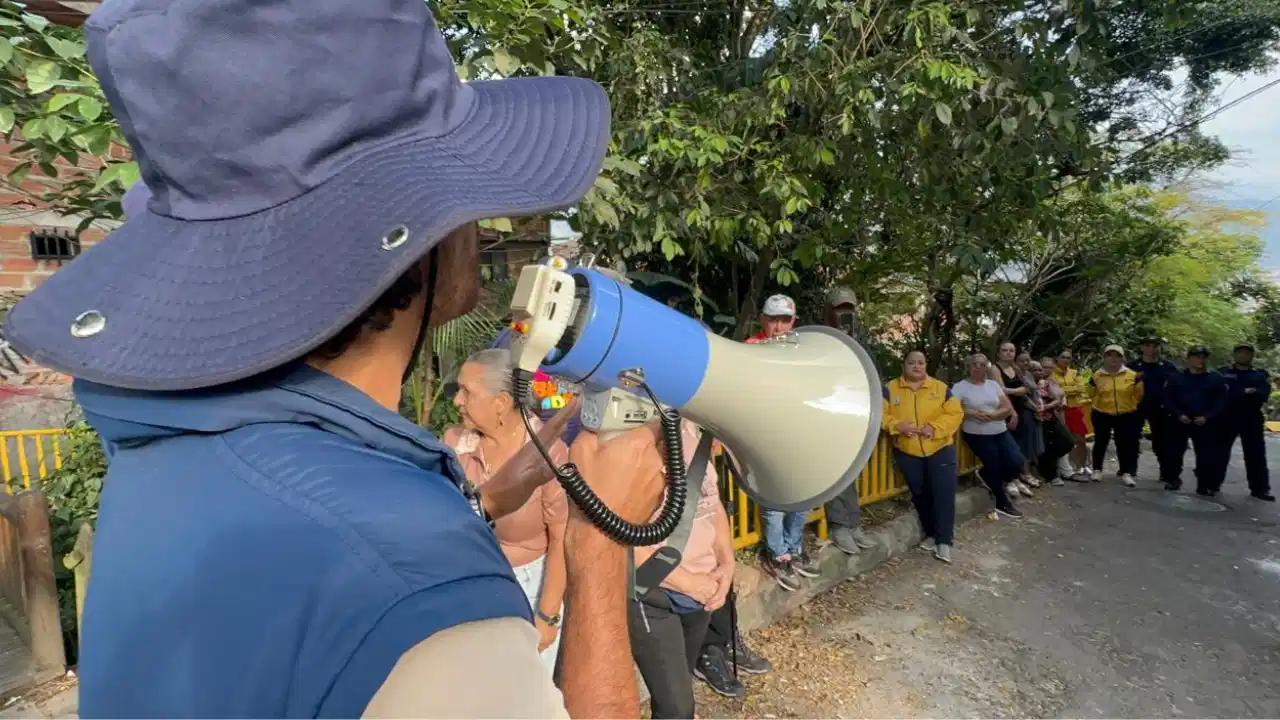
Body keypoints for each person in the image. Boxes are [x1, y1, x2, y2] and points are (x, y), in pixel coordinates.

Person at [1, 0, 669, 716]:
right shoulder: (421, 593)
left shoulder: (171, 454)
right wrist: (599, 551)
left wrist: (512, 481)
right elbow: (372, 567)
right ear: (422, 232)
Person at [443, 349, 569, 671]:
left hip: (529, 589)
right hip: (468, 581)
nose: (457, 400)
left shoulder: (547, 453)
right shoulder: (456, 443)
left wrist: (547, 615)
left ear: (500, 403)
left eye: (467, 392)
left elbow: (562, 540)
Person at [629, 420, 735, 719]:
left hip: (701, 592)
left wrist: (727, 564)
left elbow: (711, 508)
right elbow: (620, 538)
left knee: (678, 689)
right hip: (654, 594)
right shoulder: (636, 440)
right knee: (677, 707)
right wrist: (687, 582)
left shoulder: (694, 431)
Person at [746, 294, 819, 589]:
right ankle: (777, 554)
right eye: (772, 319)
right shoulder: (751, 348)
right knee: (775, 501)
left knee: (801, 497)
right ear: (763, 319)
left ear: (793, 321)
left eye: (784, 320)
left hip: (800, 432)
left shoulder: (804, 349)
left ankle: (794, 548)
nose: (778, 326)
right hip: (767, 433)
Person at [883, 351, 964, 563]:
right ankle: (931, 534)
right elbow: (880, 414)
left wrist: (934, 428)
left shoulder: (941, 388)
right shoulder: (890, 389)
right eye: (912, 363)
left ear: (926, 365)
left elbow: (955, 413)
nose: (917, 366)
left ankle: (945, 541)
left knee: (943, 494)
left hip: (939, 448)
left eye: (921, 363)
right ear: (904, 366)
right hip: (907, 450)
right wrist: (896, 425)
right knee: (920, 494)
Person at [820, 286, 879, 556]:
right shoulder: (821, 339)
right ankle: (839, 526)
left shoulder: (860, 340)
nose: (844, 313)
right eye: (839, 308)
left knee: (851, 472)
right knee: (835, 470)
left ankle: (853, 523)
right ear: (829, 311)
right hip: (829, 416)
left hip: (854, 415)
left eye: (849, 309)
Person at [952, 354, 1024, 519]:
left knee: (1016, 461)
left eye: (982, 364)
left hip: (999, 429)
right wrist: (972, 413)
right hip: (977, 433)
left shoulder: (993, 385)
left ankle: (985, 475)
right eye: (974, 364)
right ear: (968, 367)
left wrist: (994, 415)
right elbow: (953, 408)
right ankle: (1001, 502)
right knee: (994, 465)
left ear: (986, 367)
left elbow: (1006, 406)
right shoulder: (960, 387)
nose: (977, 367)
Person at [1164, 347, 1229, 495]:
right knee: (1174, 452)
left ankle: (1204, 485)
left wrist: (1208, 417)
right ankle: (1173, 479)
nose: (1200, 360)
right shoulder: (1176, 378)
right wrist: (1178, 414)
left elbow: (1221, 402)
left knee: (1206, 455)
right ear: (1188, 359)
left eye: (1202, 357)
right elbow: (1168, 399)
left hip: (1204, 422)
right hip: (1180, 421)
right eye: (1196, 357)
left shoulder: (1215, 378)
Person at [1217, 344, 1274, 502]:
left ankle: (1260, 489)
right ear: (1234, 355)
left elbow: (1262, 395)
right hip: (1227, 417)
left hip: (1251, 418)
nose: (1243, 355)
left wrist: (1236, 392)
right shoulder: (1223, 372)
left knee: (1256, 455)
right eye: (1240, 353)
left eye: (1246, 353)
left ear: (1251, 356)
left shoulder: (1259, 375)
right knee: (1219, 453)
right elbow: (1221, 394)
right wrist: (1244, 392)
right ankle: (1212, 484)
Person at [1087, 345, 1144, 487]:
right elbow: (1090, 394)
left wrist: (1129, 406)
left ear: (1123, 358)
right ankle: (1097, 470)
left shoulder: (1133, 375)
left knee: (1125, 444)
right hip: (1102, 413)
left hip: (1125, 414)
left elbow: (1139, 395)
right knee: (1100, 442)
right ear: (1104, 358)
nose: (1113, 359)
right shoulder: (1097, 376)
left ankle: (1126, 473)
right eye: (1109, 355)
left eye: (1117, 355)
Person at [1127, 337, 1179, 488]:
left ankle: (1165, 471)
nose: (1151, 349)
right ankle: (1130, 470)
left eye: (1155, 346)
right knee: (1131, 439)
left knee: (1161, 441)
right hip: (1136, 407)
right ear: (1142, 347)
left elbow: (1176, 387)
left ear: (1159, 348)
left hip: (1160, 408)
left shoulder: (1168, 367)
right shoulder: (1132, 366)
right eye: (1148, 345)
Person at [989, 343, 1036, 497]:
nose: (1008, 353)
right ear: (999, 353)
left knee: (1019, 445)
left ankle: (1016, 478)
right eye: (1004, 350)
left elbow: (1026, 389)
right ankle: (1008, 480)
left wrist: (1034, 405)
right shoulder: (995, 369)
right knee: (1008, 448)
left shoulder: (1015, 369)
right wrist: (1018, 391)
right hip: (1006, 410)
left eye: (1011, 350)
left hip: (1021, 410)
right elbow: (1001, 390)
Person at [1053, 349, 1091, 480]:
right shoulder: (1051, 374)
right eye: (1063, 357)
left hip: (1075, 408)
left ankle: (1083, 465)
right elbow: (1053, 390)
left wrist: (1062, 390)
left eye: (1068, 358)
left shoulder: (1075, 373)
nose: (1066, 360)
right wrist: (1069, 390)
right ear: (1057, 359)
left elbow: (1081, 388)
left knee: (1080, 439)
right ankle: (1071, 466)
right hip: (1060, 410)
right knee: (1067, 440)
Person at [1033, 358, 1072, 486]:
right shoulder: (1032, 381)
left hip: (1053, 418)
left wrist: (1059, 401)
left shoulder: (1051, 381)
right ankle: (1051, 475)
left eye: (1050, 367)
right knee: (1045, 447)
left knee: (1067, 442)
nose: (1046, 370)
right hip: (1038, 419)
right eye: (1043, 367)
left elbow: (1060, 396)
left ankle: (1048, 466)